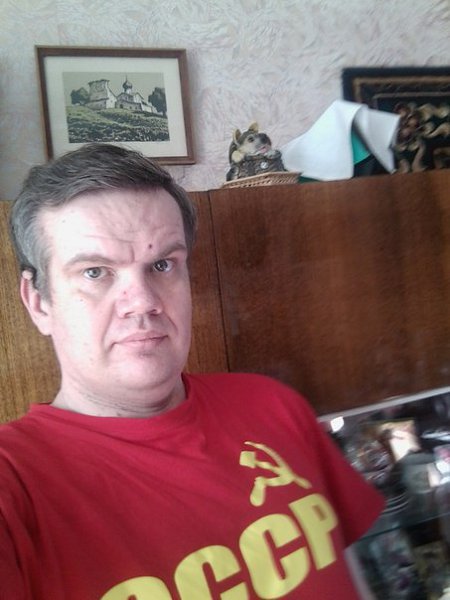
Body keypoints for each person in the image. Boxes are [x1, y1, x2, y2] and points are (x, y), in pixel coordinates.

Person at [1, 143, 384, 599]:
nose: (143, 302)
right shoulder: (17, 485)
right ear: (39, 302)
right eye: (95, 272)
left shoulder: (272, 404)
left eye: (163, 265)